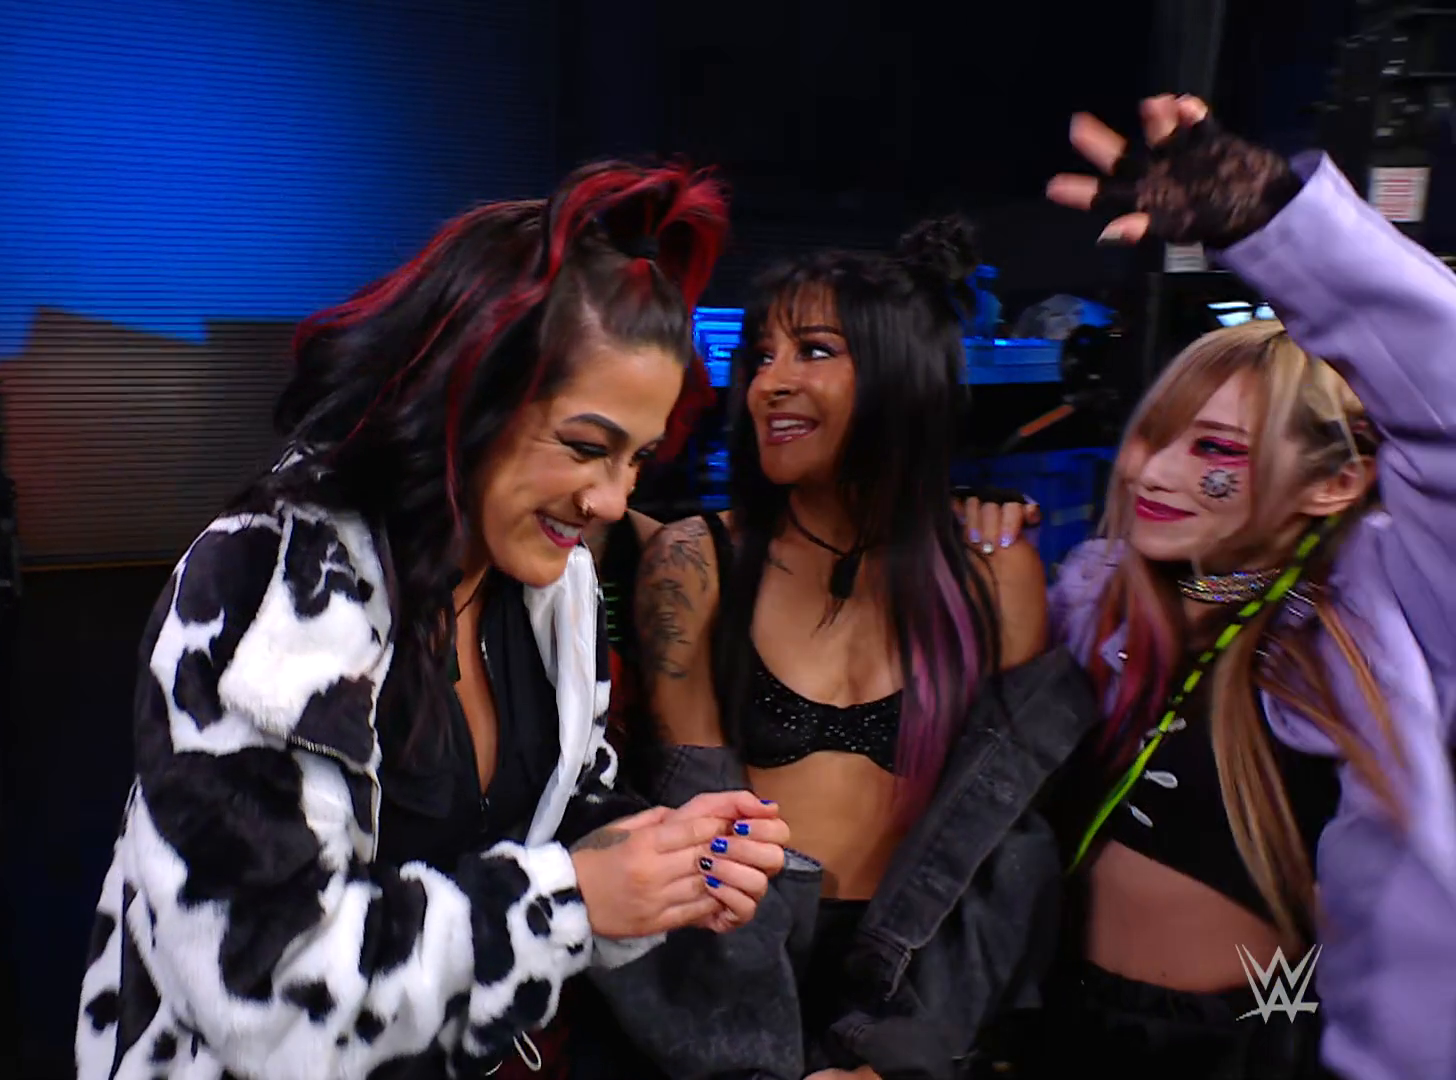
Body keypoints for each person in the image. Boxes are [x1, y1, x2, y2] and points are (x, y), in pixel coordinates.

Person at [75, 161, 791, 1080]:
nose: (613, 500)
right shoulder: (267, 582)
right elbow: (268, 992)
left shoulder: (554, 584)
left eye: (639, 459)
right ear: (469, 395)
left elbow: (559, 805)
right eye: (586, 447)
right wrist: (573, 903)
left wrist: (664, 855)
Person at [968, 94, 1456, 1080]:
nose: (1152, 471)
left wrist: (1273, 220)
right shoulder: (1097, 606)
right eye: (1152, 433)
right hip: (1054, 1031)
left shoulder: (1392, 612)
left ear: (1337, 482)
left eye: (1216, 450)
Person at [617, 218, 1097, 1080]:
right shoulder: (695, 562)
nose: (770, 383)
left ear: (899, 374)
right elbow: (695, 823)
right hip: (729, 973)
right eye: (761, 357)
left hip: (919, 984)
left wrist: (897, 1058)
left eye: (814, 351)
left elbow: (1005, 847)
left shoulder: (995, 572)